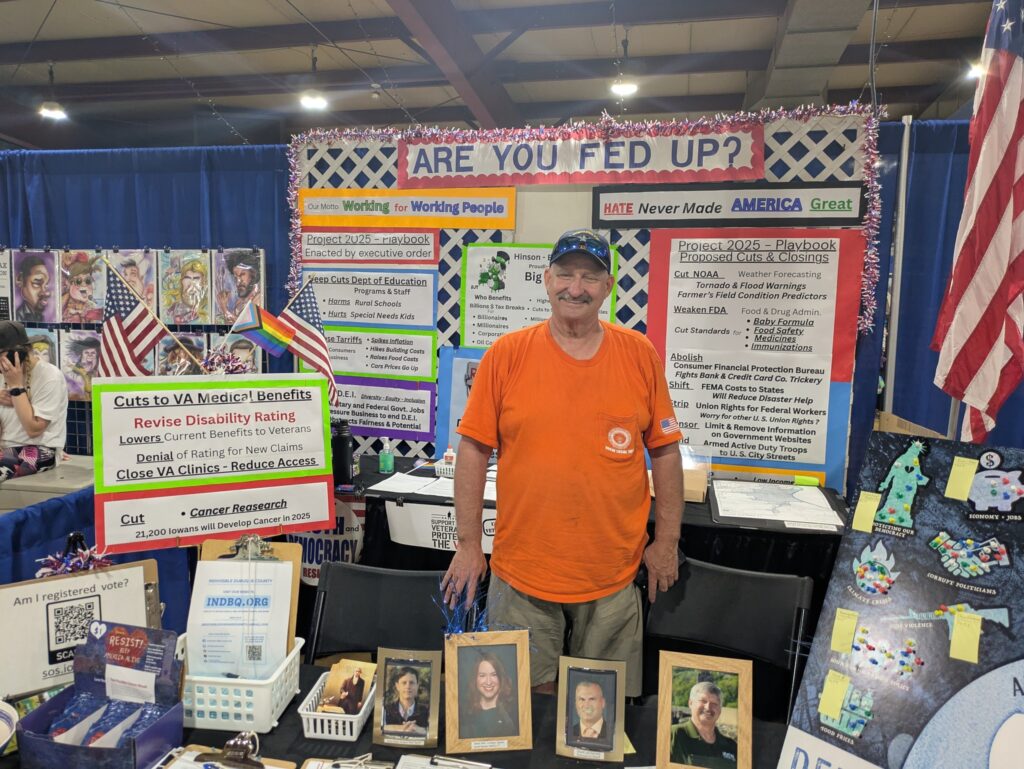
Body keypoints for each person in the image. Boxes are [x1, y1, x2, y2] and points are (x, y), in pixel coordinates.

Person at [442, 229, 684, 696]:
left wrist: (667, 540)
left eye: (590, 277)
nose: (576, 287)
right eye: (566, 275)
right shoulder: (506, 355)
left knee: (601, 720)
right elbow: (473, 451)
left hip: (613, 575)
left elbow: (666, 452)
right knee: (523, 709)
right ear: (546, 279)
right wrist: (469, 544)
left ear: (609, 287)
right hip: (522, 574)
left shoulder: (638, 354)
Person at [0, 321, 68, 482]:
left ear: (15, 354)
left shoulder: (50, 376)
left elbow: (34, 429)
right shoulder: (2, 374)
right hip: (5, 447)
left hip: (40, 448)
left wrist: (17, 387)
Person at [670, 681, 738, 769]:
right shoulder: (674, 735)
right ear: (690, 703)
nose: (708, 708)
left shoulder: (732, 746)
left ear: (720, 710)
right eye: (703, 701)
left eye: (714, 704)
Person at [459, 651, 518, 739]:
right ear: (475, 679)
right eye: (482, 675)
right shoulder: (464, 713)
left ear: (501, 678)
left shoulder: (514, 712)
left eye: (494, 675)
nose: (488, 682)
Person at [382, 666, 429, 734]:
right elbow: (378, 729)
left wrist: (421, 730)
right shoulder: (386, 709)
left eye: (412, 683)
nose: (408, 686)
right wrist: (399, 728)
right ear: (397, 686)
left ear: (417, 685)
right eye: (404, 683)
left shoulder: (426, 711)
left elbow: (433, 733)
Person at [218, 250, 262, 322]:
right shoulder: (240, 301)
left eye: (242, 275)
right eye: (235, 277)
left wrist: (224, 309)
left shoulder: (259, 298)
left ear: (253, 274)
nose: (238, 281)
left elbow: (246, 326)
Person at [569, 679, 612, 749]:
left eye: (592, 699)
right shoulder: (568, 733)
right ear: (575, 704)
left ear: (603, 703)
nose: (586, 705)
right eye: (582, 699)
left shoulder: (614, 734)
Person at [61, 252, 103, 323]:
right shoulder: (63, 303)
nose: (84, 285)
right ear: (69, 283)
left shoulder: (90, 307)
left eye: (88, 280)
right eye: (78, 281)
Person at [164, 258, 209, 323]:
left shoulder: (205, 310)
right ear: (181, 281)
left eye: (196, 278)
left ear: (203, 282)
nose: (191, 284)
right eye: (187, 278)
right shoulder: (173, 307)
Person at [14, 255, 53, 323]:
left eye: (46, 285)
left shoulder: (39, 316)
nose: (44, 292)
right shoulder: (19, 316)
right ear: (20, 279)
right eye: (37, 283)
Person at [64, 335, 101, 400]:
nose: (90, 355)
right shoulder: (71, 376)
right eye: (86, 352)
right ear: (81, 355)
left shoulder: (99, 376)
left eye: (93, 353)